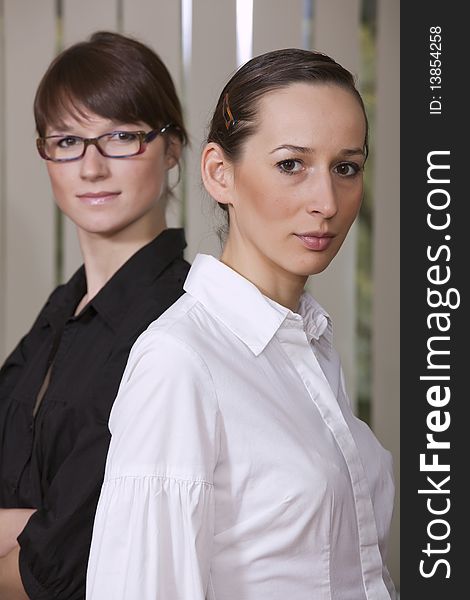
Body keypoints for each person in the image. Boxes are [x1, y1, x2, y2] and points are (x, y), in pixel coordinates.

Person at [87, 48, 397, 599]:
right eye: (290, 165)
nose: (325, 201)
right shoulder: (181, 362)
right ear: (218, 173)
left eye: (345, 167)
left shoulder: (310, 345)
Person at [0, 31, 190, 599]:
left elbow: (66, 567)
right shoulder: (63, 309)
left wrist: (40, 534)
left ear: (173, 147)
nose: (90, 168)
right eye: (66, 141)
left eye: (121, 137)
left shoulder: (175, 324)